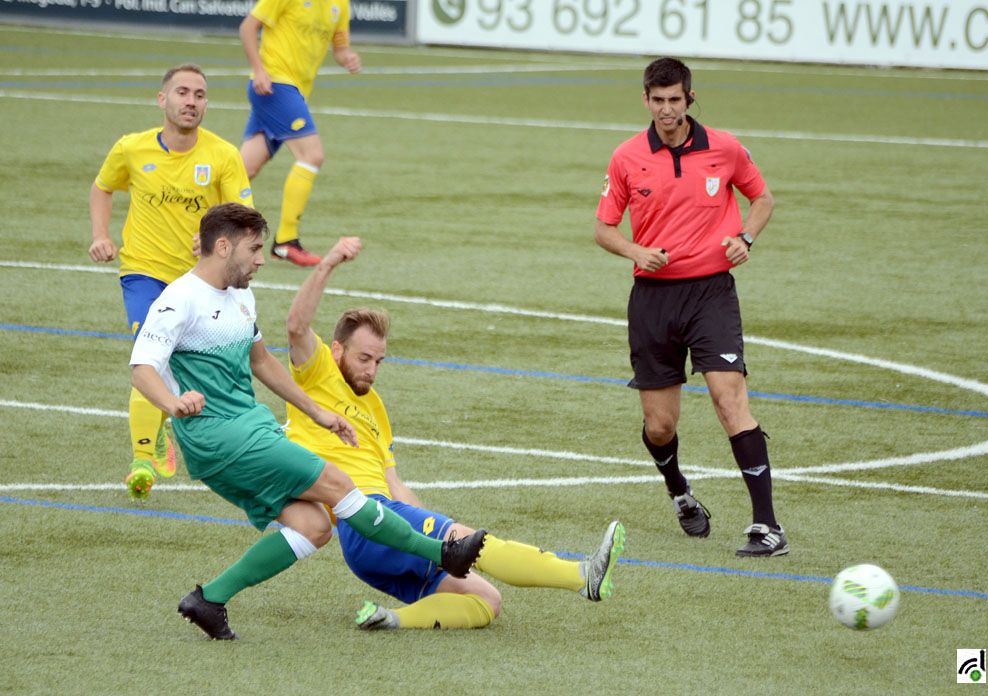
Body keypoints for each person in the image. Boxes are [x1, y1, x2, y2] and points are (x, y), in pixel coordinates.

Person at [129, 203, 486, 640]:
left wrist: (318, 412)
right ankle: (441, 552)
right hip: (220, 436)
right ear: (223, 247)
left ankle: (209, 599)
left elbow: (261, 360)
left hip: (250, 427)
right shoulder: (178, 300)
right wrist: (172, 402)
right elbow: (142, 366)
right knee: (339, 486)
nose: (262, 258)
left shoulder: (241, 295)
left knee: (314, 527)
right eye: (255, 248)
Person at [282, 237, 627, 630]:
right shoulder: (316, 374)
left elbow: (394, 483)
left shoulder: (375, 408)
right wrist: (327, 264)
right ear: (337, 350)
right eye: (364, 358)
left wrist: (425, 526)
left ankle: (389, 620)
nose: (372, 370)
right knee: (474, 542)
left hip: (379, 533)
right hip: (364, 521)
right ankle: (582, 577)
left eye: (379, 361)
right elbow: (296, 326)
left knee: (486, 600)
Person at [594, 57, 787, 558]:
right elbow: (604, 228)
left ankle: (767, 526)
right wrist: (635, 251)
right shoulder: (626, 157)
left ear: (689, 99)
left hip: (711, 295)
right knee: (660, 425)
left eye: (674, 100)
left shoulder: (723, 147)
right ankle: (679, 490)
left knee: (729, 399)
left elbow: (762, 199)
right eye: (656, 101)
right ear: (645, 100)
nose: (665, 110)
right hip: (653, 300)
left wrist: (746, 236)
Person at [89, 63, 255, 501]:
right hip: (142, 271)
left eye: (200, 95)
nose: (191, 101)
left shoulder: (222, 156)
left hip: (197, 279)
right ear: (162, 99)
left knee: (189, 362)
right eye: (182, 92)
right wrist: (101, 235)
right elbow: (102, 187)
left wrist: (236, 256)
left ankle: (162, 424)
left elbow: (243, 216)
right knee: (151, 350)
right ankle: (142, 458)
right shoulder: (131, 149)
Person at [237, 0, 362, 267]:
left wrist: (347, 57)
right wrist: (259, 69)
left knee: (241, 170)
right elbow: (248, 28)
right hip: (274, 85)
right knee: (312, 156)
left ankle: (197, 223)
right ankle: (285, 240)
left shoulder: (340, 4)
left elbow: (340, 48)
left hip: (293, 94)